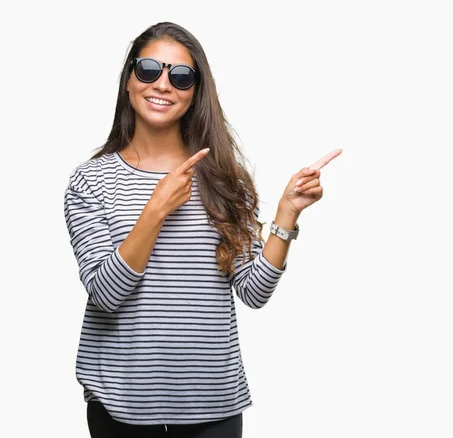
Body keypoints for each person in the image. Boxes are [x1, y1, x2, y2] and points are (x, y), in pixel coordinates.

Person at [63, 21, 341, 438]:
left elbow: (253, 292)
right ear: (128, 79)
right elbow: (105, 295)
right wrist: (156, 210)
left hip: (213, 400)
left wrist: (287, 213)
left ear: (195, 92)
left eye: (180, 76)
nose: (162, 84)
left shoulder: (223, 179)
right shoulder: (91, 181)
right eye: (149, 70)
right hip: (121, 400)